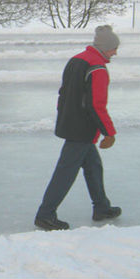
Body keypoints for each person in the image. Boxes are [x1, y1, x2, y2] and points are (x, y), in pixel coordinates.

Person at [34, 25, 122, 231]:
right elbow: (96, 105)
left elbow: (63, 93)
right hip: (82, 129)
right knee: (65, 172)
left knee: (93, 166)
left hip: (70, 122)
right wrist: (109, 132)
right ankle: (45, 214)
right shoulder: (97, 68)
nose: (115, 53)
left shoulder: (77, 59)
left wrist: (63, 117)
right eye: (114, 48)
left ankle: (101, 207)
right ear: (105, 47)